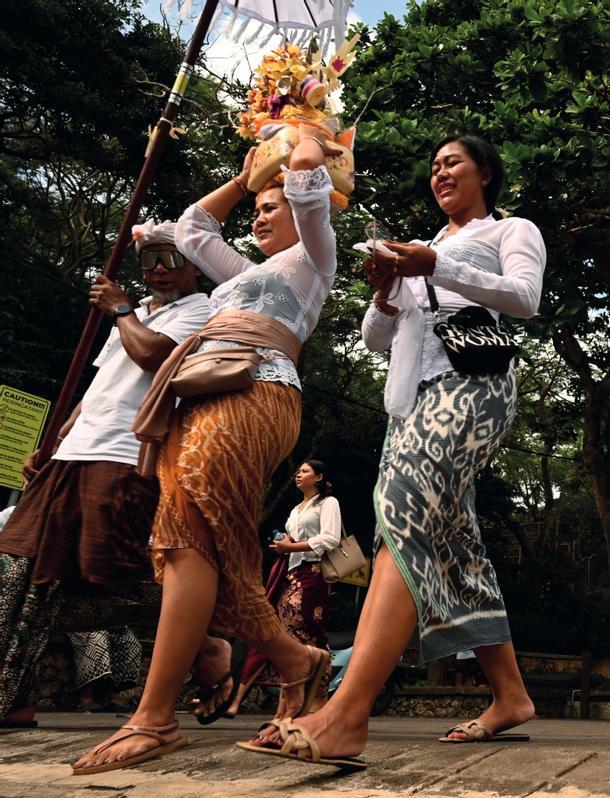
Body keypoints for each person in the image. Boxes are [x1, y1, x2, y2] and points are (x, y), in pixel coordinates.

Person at [243, 133, 545, 766]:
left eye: (453, 163)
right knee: (450, 542)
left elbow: (525, 298)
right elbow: (378, 337)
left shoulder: (511, 229)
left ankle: (348, 713)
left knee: (399, 512)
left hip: (472, 387)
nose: (440, 174)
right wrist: (386, 286)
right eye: (433, 167)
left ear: (485, 172)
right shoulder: (422, 245)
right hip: (410, 403)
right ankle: (511, 696)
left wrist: (436, 268)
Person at [72, 129, 340, 774]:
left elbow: (306, 177)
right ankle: (294, 660)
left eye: (270, 208)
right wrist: (247, 179)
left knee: (195, 533)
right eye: (257, 208)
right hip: (195, 398)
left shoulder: (312, 259)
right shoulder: (242, 274)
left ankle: (153, 716)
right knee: (186, 533)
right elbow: (192, 230)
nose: (259, 215)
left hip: (260, 389)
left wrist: (293, 138)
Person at [0, 220, 211, 730]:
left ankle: (209, 630)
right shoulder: (136, 315)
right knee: (14, 573)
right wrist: (53, 444)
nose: (158, 269)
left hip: (124, 456)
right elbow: (96, 391)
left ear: (197, 264)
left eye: (171, 258)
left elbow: (154, 358)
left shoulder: (201, 311)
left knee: (115, 575)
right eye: (149, 259)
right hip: (72, 456)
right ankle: (14, 699)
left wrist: (121, 309)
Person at [227, 460, 343, 718]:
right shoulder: (296, 509)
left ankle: (315, 698)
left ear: (320, 477)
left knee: (305, 630)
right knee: (282, 633)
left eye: (304, 471)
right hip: (289, 575)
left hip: (313, 575)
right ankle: (302, 698)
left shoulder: (328, 503)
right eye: (298, 471)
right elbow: (291, 541)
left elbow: (330, 538)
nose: (298, 475)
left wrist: (291, 547)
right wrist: (285, 542)